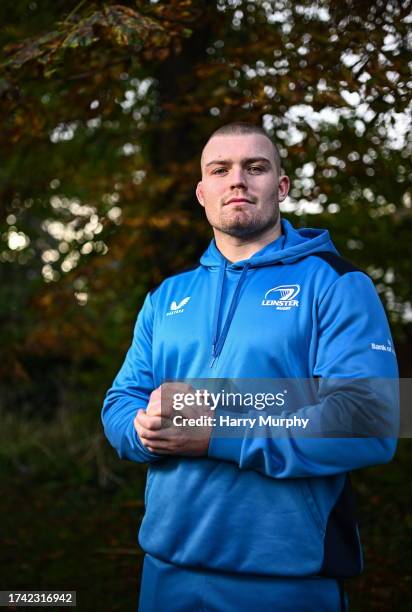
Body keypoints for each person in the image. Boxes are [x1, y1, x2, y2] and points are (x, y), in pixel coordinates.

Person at [101, 122, 398, 611]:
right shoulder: (167, 296)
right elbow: (121, 401)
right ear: (202, 192)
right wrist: (143, 430)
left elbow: (371, 420)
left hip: (285, 579)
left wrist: (218, 434)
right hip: (167, 569)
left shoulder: (337, 284)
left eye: (255, 167)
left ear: (280, 186)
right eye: (220, 170)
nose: (237, 180)